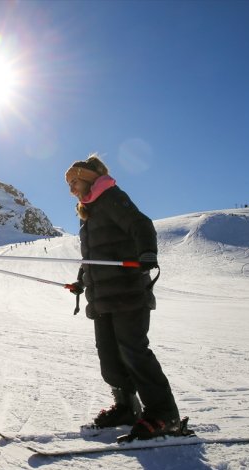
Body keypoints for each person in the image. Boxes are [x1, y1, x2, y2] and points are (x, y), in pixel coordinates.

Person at [65, 155, 180, 440]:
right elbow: (92, 258)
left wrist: (147, 254)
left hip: (128, 292)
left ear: (88, 177)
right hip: (102, 296)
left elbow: (140, 224)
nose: (71, 188)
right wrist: (81, 282)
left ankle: (165, 414)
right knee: (109, 355)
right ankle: (126, 407)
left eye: (73, 181)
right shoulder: (88, 213)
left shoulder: (112, 197)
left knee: (134, 352)